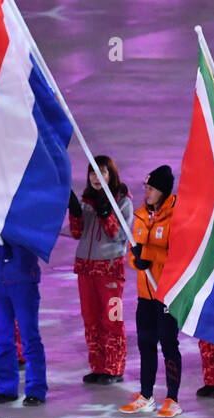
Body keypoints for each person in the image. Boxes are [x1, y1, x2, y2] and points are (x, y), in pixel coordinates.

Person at [122, 165, 182, 417]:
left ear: (163, 190)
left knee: (168, 344)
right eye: (145, 187)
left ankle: (172, 399)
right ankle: (146, 394)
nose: (146, 192)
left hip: (167, 293)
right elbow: (132, 253)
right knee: (146, 343)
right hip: (145, 294)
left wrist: (146, 254)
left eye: (151, 188)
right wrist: (137, 260)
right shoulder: (139, 216)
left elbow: (178, 254)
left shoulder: (178, 215)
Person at [69, 155, 133, 386]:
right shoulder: (87, 201)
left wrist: (107, 214)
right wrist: (75, 212)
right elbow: (77, 233)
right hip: (86, 268)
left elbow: (119, 235)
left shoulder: (123, 202)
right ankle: (98, 366)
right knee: (91, 319)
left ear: (111, 174)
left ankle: (114, 368)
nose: (97, 177)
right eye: (93, 172)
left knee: (111, 319)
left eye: (102, 172)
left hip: (109, 268)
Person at [0, 230, 46, 405]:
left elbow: (39, 243)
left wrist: (15, 245)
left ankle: (36, 390)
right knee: (2, 338)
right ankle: (5, 388)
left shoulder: (27, 216)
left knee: (29, 337)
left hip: (23, 281)